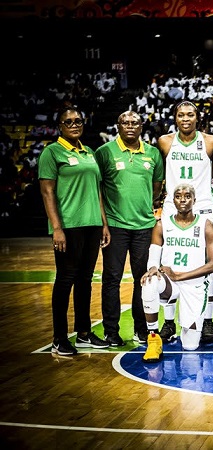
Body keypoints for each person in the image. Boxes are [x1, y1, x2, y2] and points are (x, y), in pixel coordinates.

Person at [38, 105, 111, 356]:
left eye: (78, 120)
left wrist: (103, 223)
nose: (74, 125)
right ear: (60, 126)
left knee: (85, 280)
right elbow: (47, 191)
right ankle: (60, 337)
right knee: (65, 280)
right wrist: (56, 228)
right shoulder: (52, 152)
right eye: (68, 122)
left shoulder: (88, 152)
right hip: (68, 226)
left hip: (91, 224)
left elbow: (97, 191)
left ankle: (84, 332)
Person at [95, 111, 164, 346]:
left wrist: (143, 207)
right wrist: (104, 223)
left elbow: (156, 188)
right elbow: (97, 190)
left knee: (142, 280)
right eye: (125, 122)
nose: (130, 126)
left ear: (141, 126)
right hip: (115, 226)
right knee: (111, 279)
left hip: (144, 226)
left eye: (135, 123)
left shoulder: (153, 153)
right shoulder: (104, 153)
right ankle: (111, 331)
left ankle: (141, 329)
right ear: (118, 125)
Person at [158, 100, 213, 346]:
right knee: (169, 261)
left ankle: (207, 321)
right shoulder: (165, 141)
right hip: (174, 206)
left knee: (207, 263)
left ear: (197, 118)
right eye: (181, 115)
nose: (186, 119)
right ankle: (169, 321)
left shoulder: (210, 142)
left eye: (190, 115)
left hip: (203, 206)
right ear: (175, 117)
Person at [141, 183, 213, 362]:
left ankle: (188, 327)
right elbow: (153, 256)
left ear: (194, 200)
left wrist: (180, 276)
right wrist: (153, 267)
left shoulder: (206, 225)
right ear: (172, 200)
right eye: (178, 196)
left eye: (187, 196)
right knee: (150, 281)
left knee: (190, 345)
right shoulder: (162, 224)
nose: (182, 199)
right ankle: (153, 338)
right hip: (170, 283)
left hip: (194, 285)